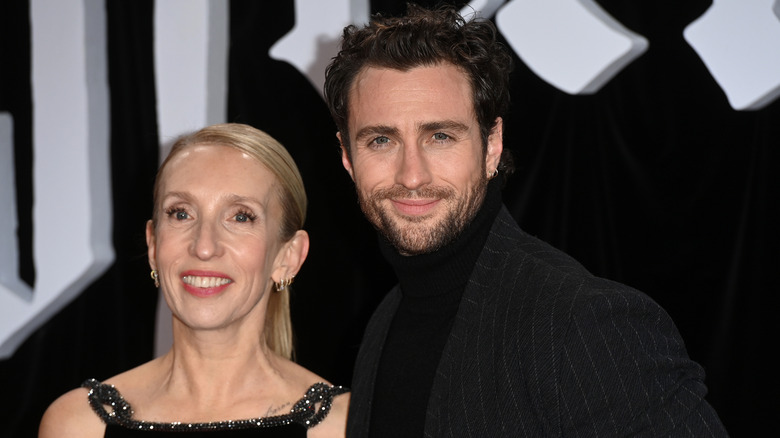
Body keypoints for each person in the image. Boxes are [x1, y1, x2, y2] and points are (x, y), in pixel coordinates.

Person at [324, 4, 728, 437]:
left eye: (440, 136)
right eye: (381, 140)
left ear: (491, 145)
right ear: (348, 156)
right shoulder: (385, 323)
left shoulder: (584, 323)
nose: (412, 175)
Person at [39, 123, 349, 437]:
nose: (203, 247)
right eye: (181, 213)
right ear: (153, 245)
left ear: (288, 257)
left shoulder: (344, 425)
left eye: (240, 216)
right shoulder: (78, 424)